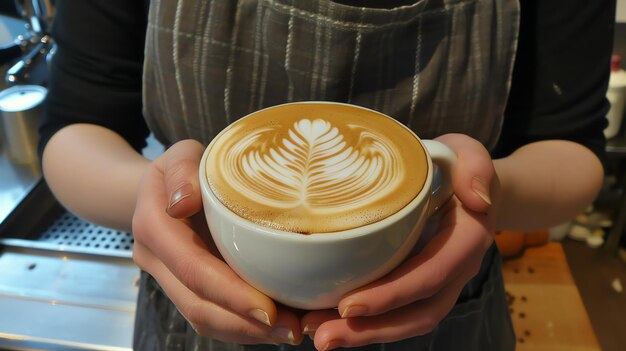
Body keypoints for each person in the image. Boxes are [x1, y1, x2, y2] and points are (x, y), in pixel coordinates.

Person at [40, 0, 614, 350]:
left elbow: (574, 147)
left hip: (450, 321)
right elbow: (75, 128)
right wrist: (149, 198)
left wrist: (490, 196)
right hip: (189, 321)